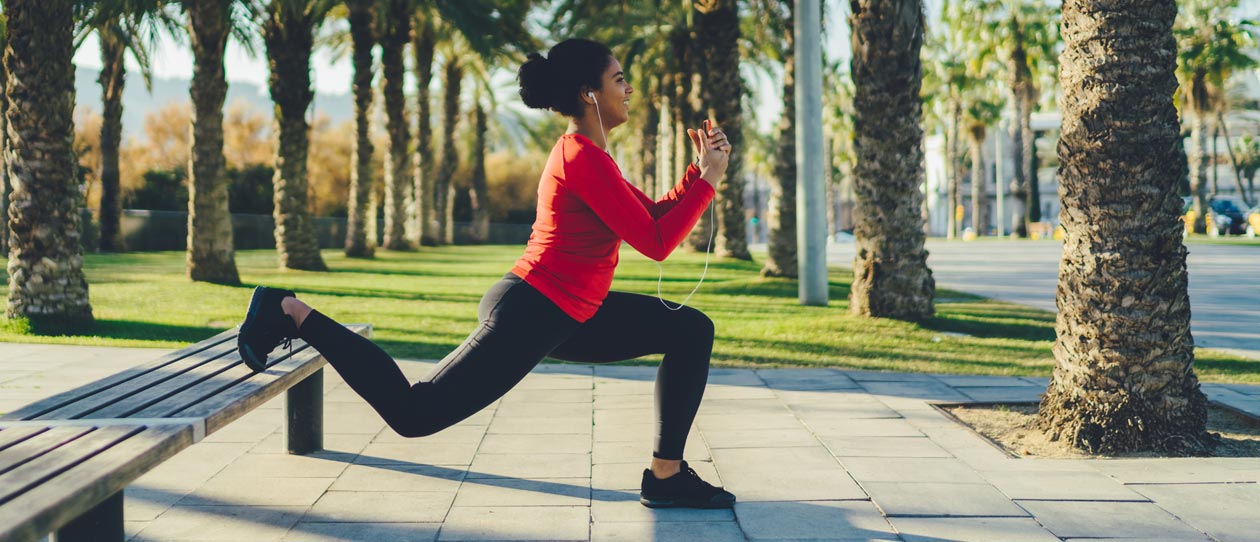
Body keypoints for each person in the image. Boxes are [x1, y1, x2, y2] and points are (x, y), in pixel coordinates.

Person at [237, 38, 735, 509]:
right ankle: (289, 310)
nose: (629, 89)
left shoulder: (594, 156)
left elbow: (652, 219)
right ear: (589, 93)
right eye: (619, 78)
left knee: (691, 330)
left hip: (571, 311)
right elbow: (657, 243)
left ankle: (666, 477)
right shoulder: (581, 157)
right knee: (415, 415)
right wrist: (708, 181)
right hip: (534, 310)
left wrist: (698, 171)